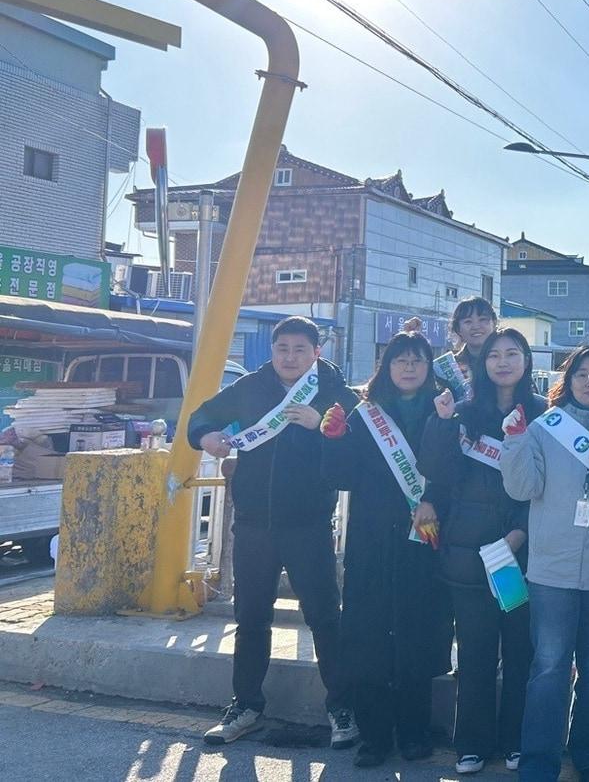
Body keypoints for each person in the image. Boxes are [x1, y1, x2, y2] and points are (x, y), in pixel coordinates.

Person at [187, 316, 358, 747]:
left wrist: (321, 425)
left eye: (300, 349)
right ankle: (245, 705)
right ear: (272, 350)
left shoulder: (334, 393)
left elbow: (360, 443)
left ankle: (342, 707)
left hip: (309, 524)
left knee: (324, 616)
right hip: (253, 524)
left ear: (316, 353)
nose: (290, 357)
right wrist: (206, 437)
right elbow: (202, 416)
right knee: (250, 617)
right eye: (283, 348)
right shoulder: (251, 386)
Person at [500, 344, 589, 782]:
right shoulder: (546, 427)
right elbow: (522, 489)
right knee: (549, 666)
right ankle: (539, 761)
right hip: (551, 570)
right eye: (582, 373)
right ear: (569, 380)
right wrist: (515, 441)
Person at [320, 324, 454, 768]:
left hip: (423, 540)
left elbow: (454, 470)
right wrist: (334, 441)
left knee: (417, 636)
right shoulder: (365, 415)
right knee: (367, 638)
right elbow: (341, 477)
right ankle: (375, 736)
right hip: (371, 542)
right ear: (386, 366)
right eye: (401, 360)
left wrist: (433, 499)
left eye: (417, 360)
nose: (409, 367)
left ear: (429, 366)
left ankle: (415, 731)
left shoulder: (443, 410)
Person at [419, 328, 545, 776]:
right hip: (469, 553)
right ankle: (471, 744)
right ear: (481, 362)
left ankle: (516, 740)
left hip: (525, 555)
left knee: (521, 654)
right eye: (494, 355)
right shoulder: (463, 412)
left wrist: (519, 534)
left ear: (527, 360)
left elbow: (549, 485)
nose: (503, 362)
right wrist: (442, 422)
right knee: (474, 653)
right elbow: (436, 471)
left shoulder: (543, 415)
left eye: (513, 353)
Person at [451, 296, 499, 368]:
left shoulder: (508, 360)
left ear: (494, 323)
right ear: (458, 329)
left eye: (482, 319)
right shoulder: (451, 367)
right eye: (468, 321)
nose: (476, 327)